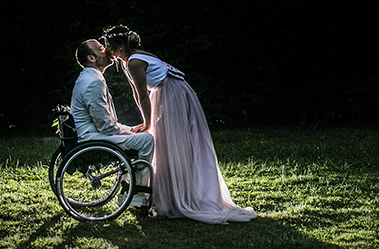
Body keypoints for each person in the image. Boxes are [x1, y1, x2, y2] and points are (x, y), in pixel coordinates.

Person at [101, 25, 256, 224]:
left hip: (172, 94)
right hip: (168, 92)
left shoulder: (135, 61)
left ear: (121, 46)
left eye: (110, 46)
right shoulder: (128, 60)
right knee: (165, 143)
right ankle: (170, 192)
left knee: (172, 144)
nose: (108, 51)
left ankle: (183, 196)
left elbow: (142, 94)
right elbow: (135, 92)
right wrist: (146, 120)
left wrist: (147, 122)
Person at [70, 39, 154, 207]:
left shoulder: (89, 77)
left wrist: (130, 129)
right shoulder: (93, 82)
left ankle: (128, 186)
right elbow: (106, 126)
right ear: (91, 58)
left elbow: (105, 123)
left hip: (94, 133)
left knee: (140, 135)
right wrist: (129, 131)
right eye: (101, 49)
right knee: (147, 140)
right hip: (93, 138)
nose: (107, 50)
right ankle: (135, 194)